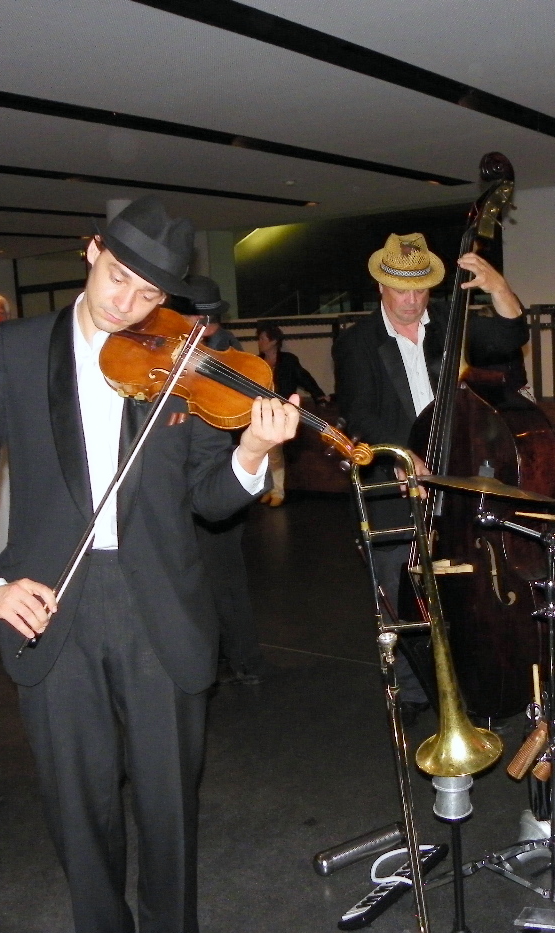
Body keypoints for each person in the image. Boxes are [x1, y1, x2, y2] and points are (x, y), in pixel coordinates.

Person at [0, 197, 299, 933]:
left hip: (161, 608)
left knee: (169, 813)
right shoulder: (16, 350)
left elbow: (209, 500)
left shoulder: (185, 359)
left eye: (150, 293)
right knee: (79, 813)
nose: (128, 304)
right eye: (120, 278)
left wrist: (252, 455)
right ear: (93, 251)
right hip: (49, 606)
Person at [332, 232, 528, 716]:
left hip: (456, 481)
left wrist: (498, 287)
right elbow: (360, 413)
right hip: (394, 485)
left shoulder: (448, 323)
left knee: (465, 592)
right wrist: (404, 456)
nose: (412, 299)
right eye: (402, 289)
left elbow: (510, 337)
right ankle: (412, 691)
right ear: (381, 286)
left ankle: (469, 682)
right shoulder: (356, 342)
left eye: (421, 289)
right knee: (399, 594)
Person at [178, 275, 267, 685]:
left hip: (220, 476)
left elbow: (237, 417)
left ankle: (245, 660)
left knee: (225, 577)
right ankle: (209, 656)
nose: (202, 329)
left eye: (209, 323)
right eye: (195, 320)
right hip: (180, 481)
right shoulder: (171, 350)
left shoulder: (228, 355)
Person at [255, 322, 327, 507]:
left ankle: (277, 490)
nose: (260, 342)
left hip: (283, 410)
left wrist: (318, 394)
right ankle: (269, 488)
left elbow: (303, 377)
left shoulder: (287, 360)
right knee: (264, 452)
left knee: (274, 451)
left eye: (263, 338)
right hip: (264, 410)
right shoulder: (258, 361)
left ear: (274, 341)